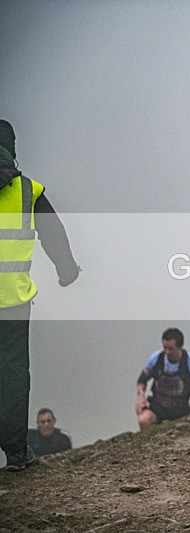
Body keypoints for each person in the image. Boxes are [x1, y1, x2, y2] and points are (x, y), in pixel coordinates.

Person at [0, 119, 80, 472]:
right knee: (14, 375)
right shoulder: (29, 190)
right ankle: (17, 454)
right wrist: (68, 271)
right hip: (14, 303)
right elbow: (54, 233)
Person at [135, 328, 190, 429]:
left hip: (181, 408)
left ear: (180, 347)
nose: (167, 352)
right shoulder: (156, 359)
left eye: (171, 349)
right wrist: (141, 395)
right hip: (158, 405)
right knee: (143, 420)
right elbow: (142, 380)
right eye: (165, 348)